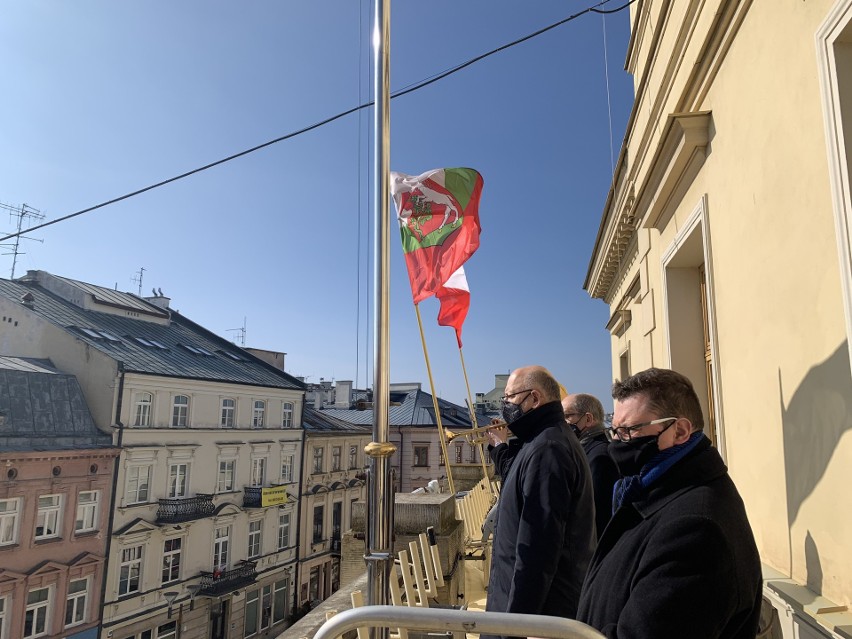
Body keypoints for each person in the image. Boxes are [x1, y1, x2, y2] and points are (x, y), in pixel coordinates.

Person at [577, 368, 762, 639]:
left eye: (629, 431)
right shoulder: (652, 492)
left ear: (680, 431)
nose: (617, 443)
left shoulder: (695, 529)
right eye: (615, 432)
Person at [483, 366, 595, 639]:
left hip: (538, 619)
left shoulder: (548, 448)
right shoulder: (542, 441)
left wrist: (514, 629)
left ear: (534, 398)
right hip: (532, 611)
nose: (505, 405)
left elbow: (537, 552)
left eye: (509, 397)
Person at [562, 393, 620, 539]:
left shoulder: (599, 456)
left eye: (568, 416)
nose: (562, 422)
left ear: (588, 419)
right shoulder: (584, 451)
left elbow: (595, 513)